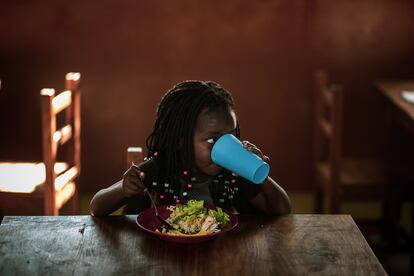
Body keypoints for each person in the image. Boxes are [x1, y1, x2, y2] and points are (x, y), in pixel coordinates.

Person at [90, 80, 291, 216]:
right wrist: (123, 190)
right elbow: (97, 207)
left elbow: (283, 210)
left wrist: (261, 175)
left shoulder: (232, 175)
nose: (224, 146)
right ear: (180, 140)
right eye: (213, 140)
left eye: (230, 136)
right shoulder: (160, 169)